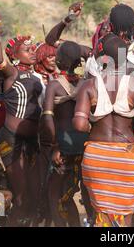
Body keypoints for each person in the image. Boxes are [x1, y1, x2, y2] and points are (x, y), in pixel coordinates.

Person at [73, 34, 134, 227]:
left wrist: (91, 126)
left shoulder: (89, 85)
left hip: (96, 156)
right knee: (125, 215)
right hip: (126, 156)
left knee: (99, 213)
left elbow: (79, 125)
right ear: (125, 56)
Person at [0, 5, 43, 226]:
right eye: (26, 49)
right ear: (14, 55)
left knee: (29, 195)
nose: (32, 51)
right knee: (17, 193)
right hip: (10, 139)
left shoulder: (38, 77)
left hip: (31, 142)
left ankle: (7, 219)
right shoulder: (12, 73)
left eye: (33, 48)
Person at [41, 41, 89, 226]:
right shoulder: (86, 83)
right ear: (78, 63)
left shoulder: (54, 86)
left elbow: (47, 119)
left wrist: (55, 147)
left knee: (55, 195)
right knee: (84, 194)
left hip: (64, 146)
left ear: (59, 60)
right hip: (85, 145)